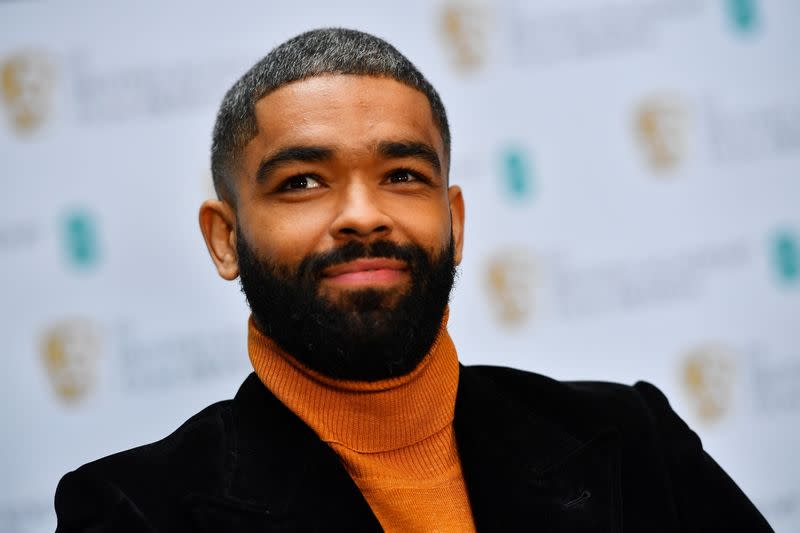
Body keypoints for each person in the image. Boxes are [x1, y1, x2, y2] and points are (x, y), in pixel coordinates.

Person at [54, 28, 773, 532]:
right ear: (224, 237)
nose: (363, 215)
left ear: (454, 220)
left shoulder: (630, 438)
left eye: (402, 175)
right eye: (302, 181)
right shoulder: (133, 508)